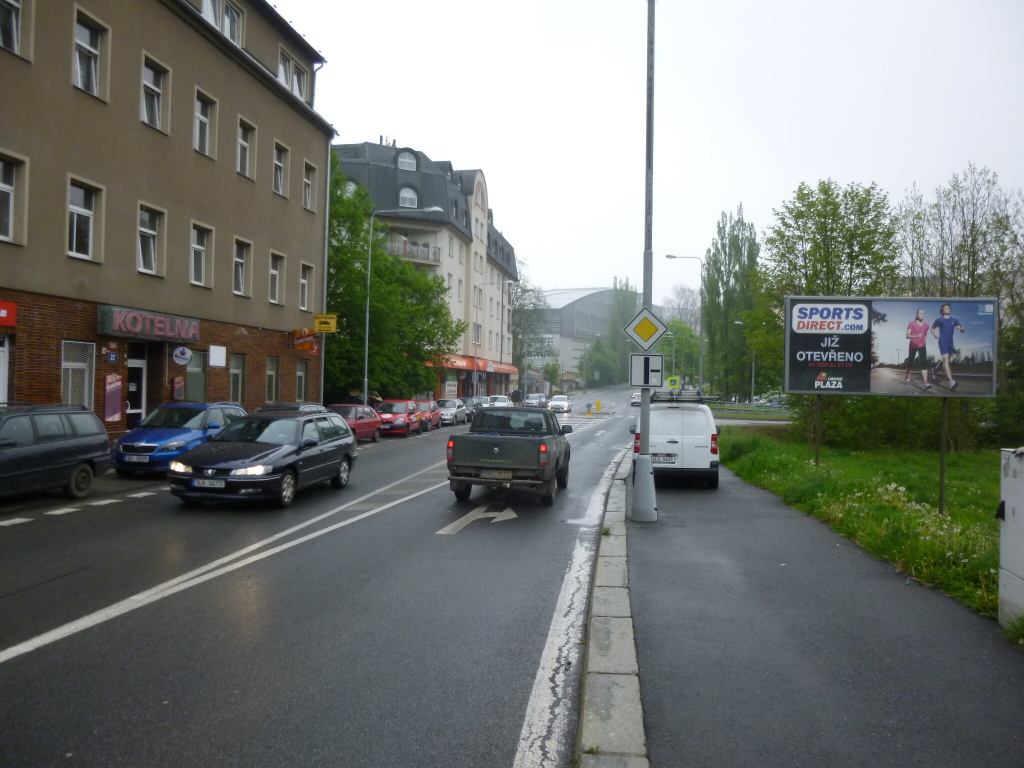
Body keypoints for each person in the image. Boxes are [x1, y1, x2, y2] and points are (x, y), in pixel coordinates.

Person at [931, 302, 965, 391]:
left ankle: (935, 370)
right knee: (946, 361)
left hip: (950, 343)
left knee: (946, 361)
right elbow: (932, 328)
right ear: (942, 310)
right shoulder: (939, 320)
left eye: (949, 308)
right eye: (946, 308)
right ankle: (951, 382)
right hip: (942, 341)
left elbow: (961, 329)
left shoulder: (954, 320)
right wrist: (934, 334)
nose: (948, 309)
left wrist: (961, 329)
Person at [904, 309, 932, 390]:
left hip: (922, 345)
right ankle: (908, 373)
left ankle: (925, 383)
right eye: (920, 313)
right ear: (917, 314)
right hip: (913, 345)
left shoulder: (926, 325)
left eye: (923, 313)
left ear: (924, 315)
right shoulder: (911, 324)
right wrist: (916, 336)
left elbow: (925, 335)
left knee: (924, 363)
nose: (921, 314)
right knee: (910, 361)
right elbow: (907, 336)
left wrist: (924, 342)